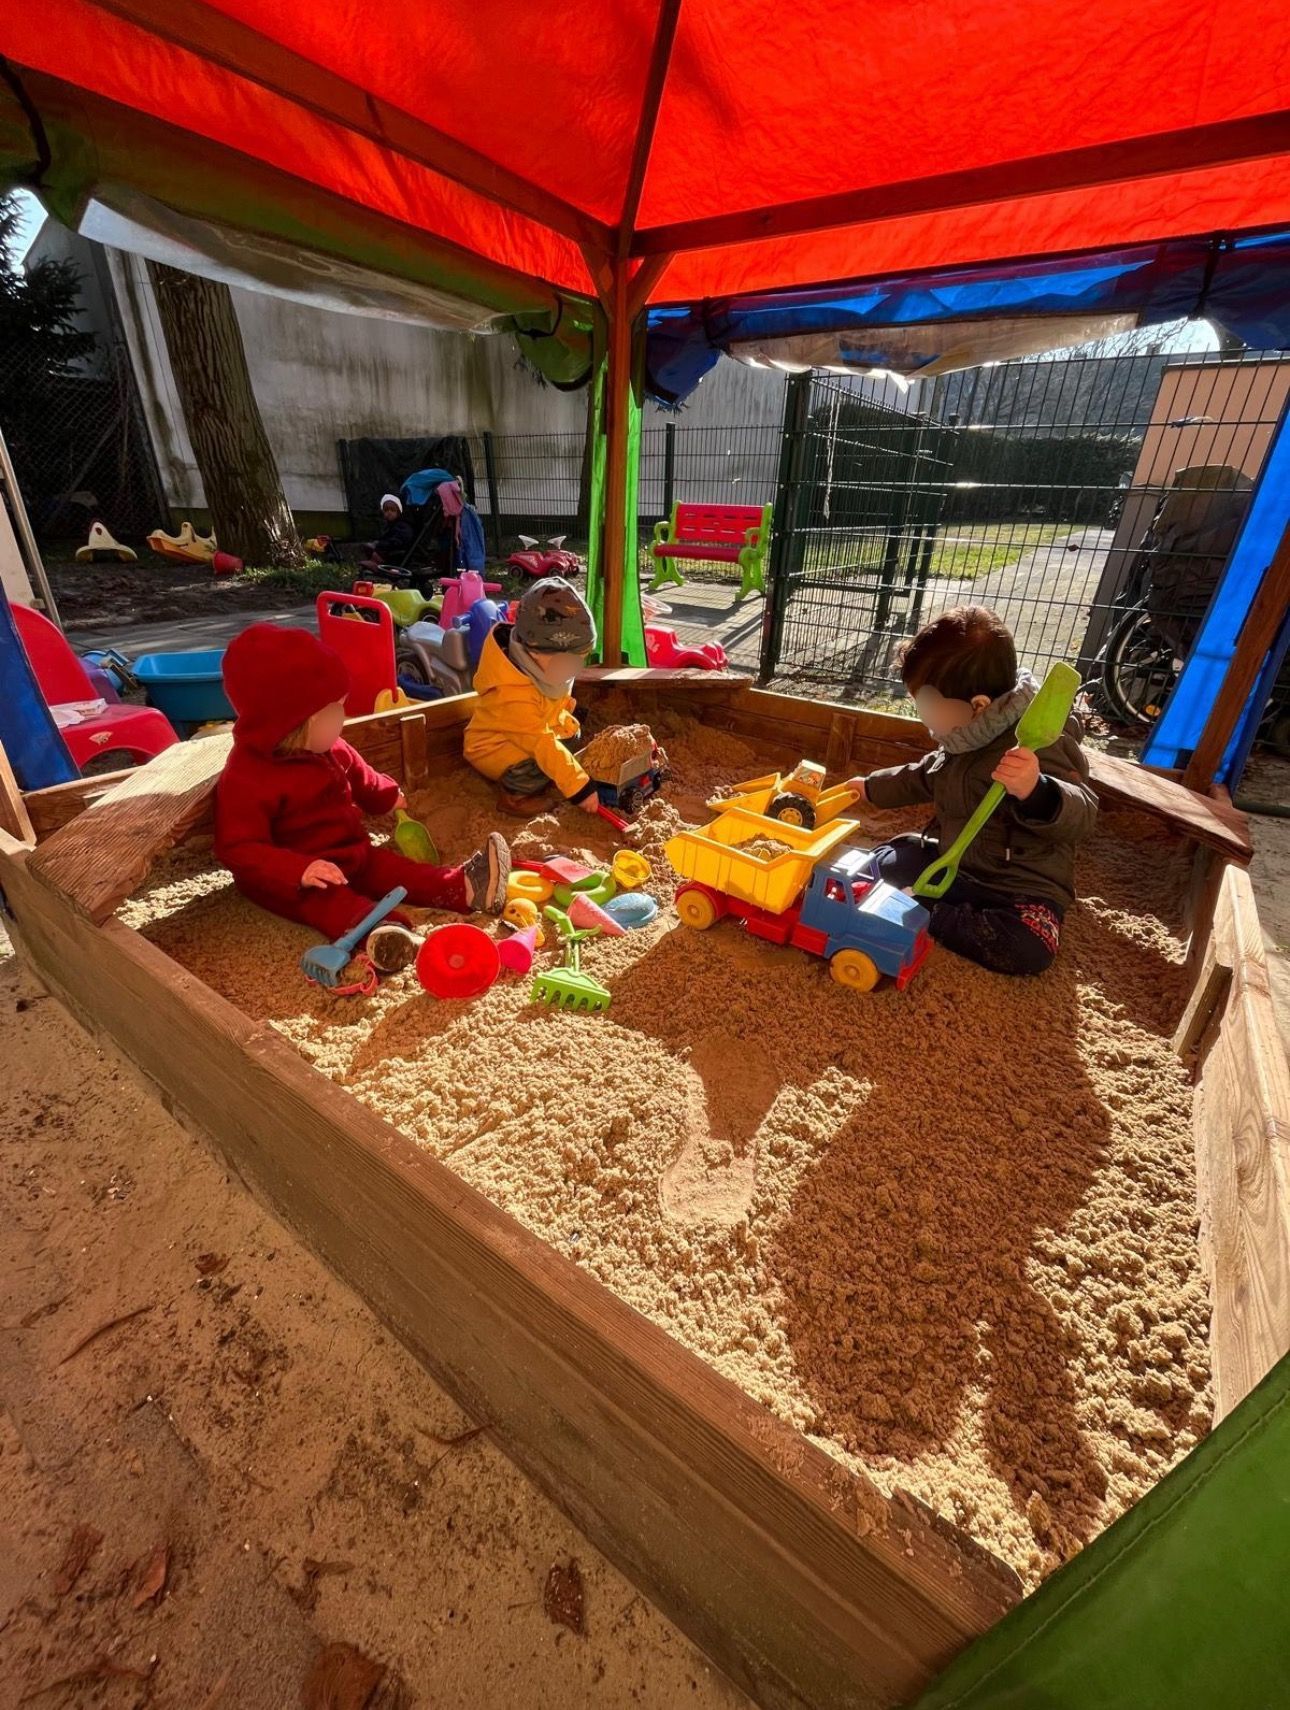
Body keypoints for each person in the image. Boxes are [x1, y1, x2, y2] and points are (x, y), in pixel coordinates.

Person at [215, 624, 509, 974]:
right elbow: (238, 847)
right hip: (296, 881)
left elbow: (361, 775)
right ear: (292, 724)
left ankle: (461, 888)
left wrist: (387, 797)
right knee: (334, 905)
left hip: (350, 852)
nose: (344, 717)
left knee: (392, 869)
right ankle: (383, 936)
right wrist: (299, 870)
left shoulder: (330, 747)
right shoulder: (248, 777)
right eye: (334, 712)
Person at [846, 606, 1097, 976]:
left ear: (978, 705)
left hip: (1016, 887)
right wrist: (871, 787)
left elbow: (1085, 815)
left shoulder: (1039, 742)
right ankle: (927, 899)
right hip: (957, 864)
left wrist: (1037, 790)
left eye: (929, 705)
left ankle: (933, 913)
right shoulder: (964, 736)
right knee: (886, 861)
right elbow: (925, 776)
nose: (923, 716)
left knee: (1027, 948)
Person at [464, 577, 601, 817]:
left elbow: (552, 704)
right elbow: (539, 741)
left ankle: (544, 775)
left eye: (581, 658)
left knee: (571, 734)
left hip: (531, 733)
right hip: (493, 748)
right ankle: (514, 798)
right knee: (537, 758)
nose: (574, 667)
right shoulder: (511, 693)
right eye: (569, 659)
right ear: (536, 652)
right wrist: (579, 786)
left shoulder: (541, 666)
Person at [365, 493, 413, 567]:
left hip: (399, 553)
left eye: (392, 510)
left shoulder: (402, 525)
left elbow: (400, 540)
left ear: (398, 512)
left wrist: (381, 544)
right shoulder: (389, 526)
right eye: (386, 510)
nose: (389, 512)